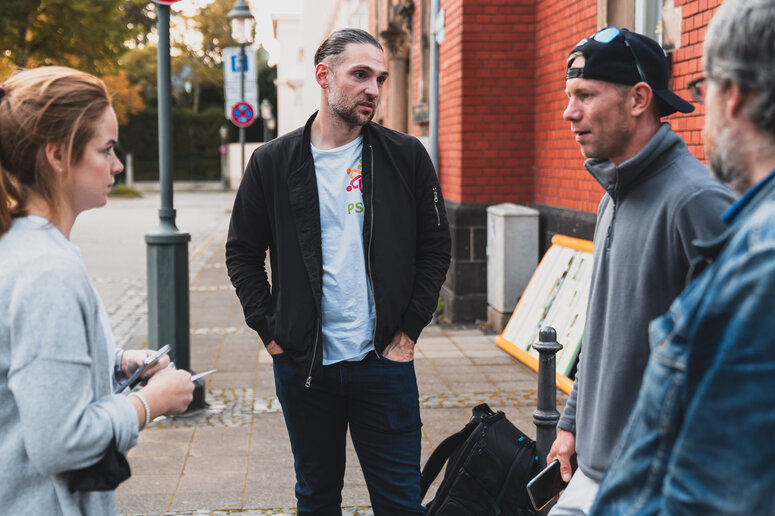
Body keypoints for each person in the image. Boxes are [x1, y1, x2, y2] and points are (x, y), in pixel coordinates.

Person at [225, 29, 451, 514]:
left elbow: (435, 248)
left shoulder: (406, 156)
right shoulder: (272, 162)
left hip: (384, 362)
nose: (373, 88)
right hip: (305, 366)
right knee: (316, 497)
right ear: (324, 76)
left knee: (400, 502)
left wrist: (408, 333)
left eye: (381, 78)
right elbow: (242, 252)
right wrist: (271, 332)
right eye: (360, 75)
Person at [589, 1, 775, 514]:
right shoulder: (614, 192)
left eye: (702, 90)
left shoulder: (755, 251)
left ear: (732, 96)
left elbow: (712, 482)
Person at [546, 27, 736, 515]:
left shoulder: (697, 203)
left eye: (585, 95)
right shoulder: (613, 195)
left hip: (654, 486)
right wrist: (571, 424)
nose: (570, 112)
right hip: (593, 471)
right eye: (570, 96)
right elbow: (605, 328)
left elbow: (732, 370)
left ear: (639, 99)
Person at [0, 66, 194, 515]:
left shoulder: (27, 248)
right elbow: (60, 441)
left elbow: (27, 373)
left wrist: (114, 364)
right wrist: (150, 403)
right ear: (57, 155)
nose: (117, 164)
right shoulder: (47, 270)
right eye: (105, 149)